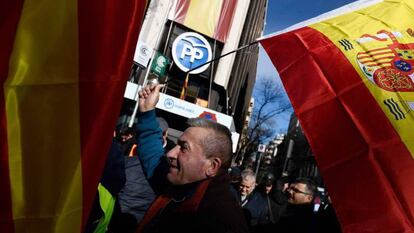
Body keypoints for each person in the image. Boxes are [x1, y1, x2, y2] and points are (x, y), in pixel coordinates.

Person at [135, 84, 249, 233]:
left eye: (184, 148)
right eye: (177, 145)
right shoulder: (179, 184)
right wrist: (147, 111)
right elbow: (154, 157)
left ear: (212, 166)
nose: (170, 154)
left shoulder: (222, 220)